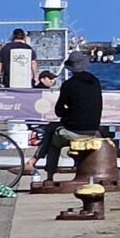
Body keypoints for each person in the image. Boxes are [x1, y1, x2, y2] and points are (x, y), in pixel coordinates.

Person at [33, 58, 108, 186]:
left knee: (53, 142)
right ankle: (34, 161)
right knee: (52, 128)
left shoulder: (69, 84)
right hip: (93, 129)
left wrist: (68, 112)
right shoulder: (95, 82)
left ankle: (49, 176)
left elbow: (59, 111)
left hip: (74, 130)